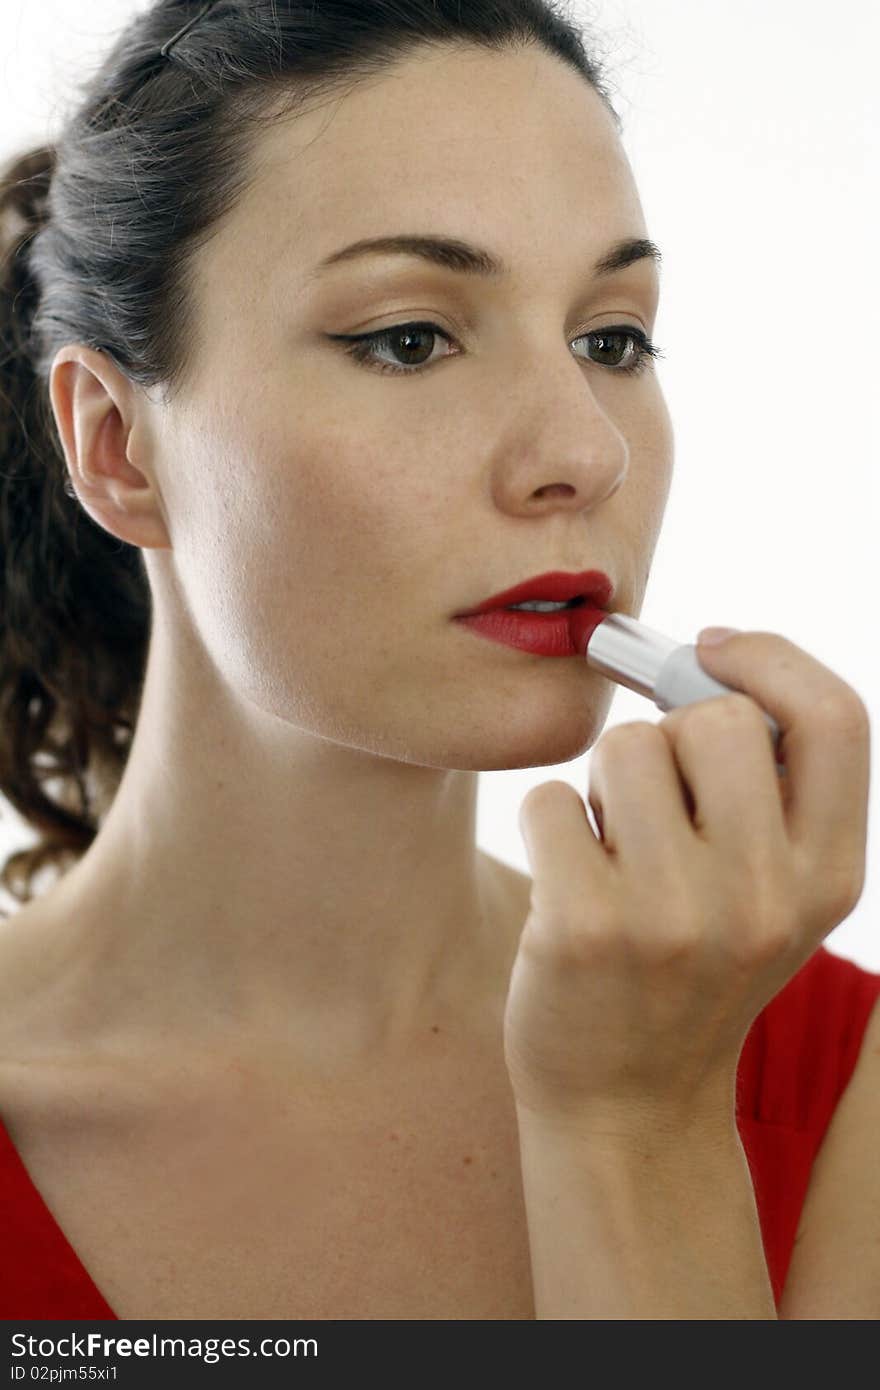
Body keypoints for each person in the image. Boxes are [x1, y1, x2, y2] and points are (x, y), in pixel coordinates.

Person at [0, 0, 877, 1322]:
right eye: (411, 337)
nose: (586, 451)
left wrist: (638, 1123)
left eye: (612, 338)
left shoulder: (833, 1076)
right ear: (118, 444)